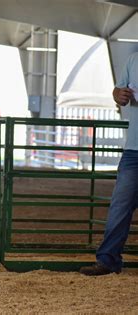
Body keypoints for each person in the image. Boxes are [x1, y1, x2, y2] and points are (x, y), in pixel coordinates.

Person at [79, 52, 138, 276]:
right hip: (134, 148)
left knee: (121, 205)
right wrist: (119, 94)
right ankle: (108, 260)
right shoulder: (133, 59)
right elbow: (118, 90)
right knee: (120, 205)